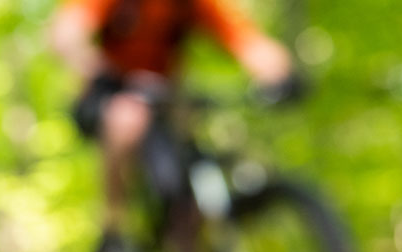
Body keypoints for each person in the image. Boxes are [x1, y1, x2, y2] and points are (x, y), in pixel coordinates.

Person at [50, 0, 296, 236]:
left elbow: (247, 40)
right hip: (109, 91)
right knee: (127, 119)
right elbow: (64, 33)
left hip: (164, 99)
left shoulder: (190, 4)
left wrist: (278, 72)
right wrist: (99, 70)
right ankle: (114, 228)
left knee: (188, 172)